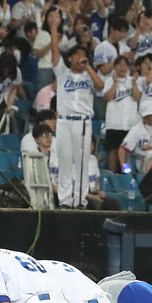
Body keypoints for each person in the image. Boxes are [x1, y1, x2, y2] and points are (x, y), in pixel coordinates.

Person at [51, 35, 104, 208]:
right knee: (65, 160)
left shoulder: (89, 76)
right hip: (64, 121)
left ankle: (80, 200)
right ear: (70, 58)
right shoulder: (62, 73)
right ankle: (65, 200)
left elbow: (101, 85)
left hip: (82, 122)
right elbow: (54, 51)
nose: (80, 57)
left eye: (83, 54)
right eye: (77, 54)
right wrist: (53, 28)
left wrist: (88, 66)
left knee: (82, 162)